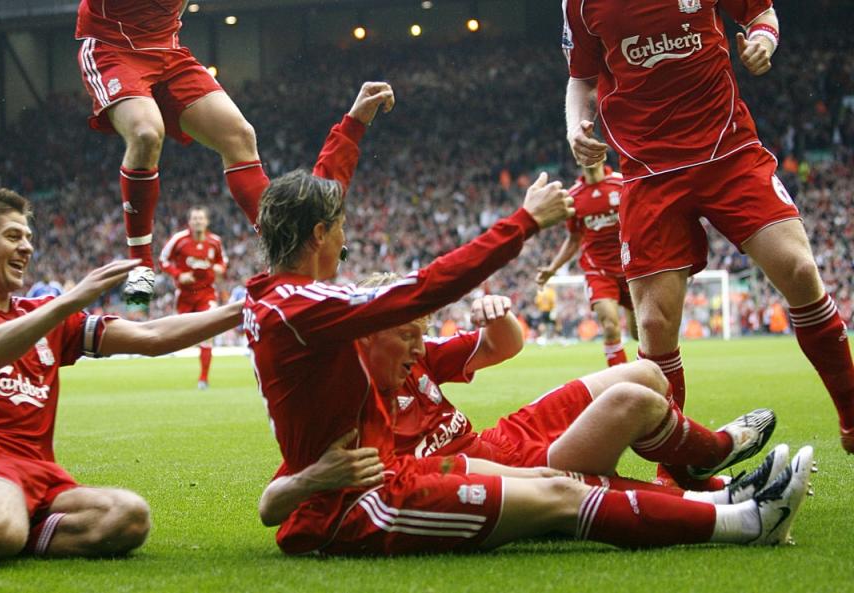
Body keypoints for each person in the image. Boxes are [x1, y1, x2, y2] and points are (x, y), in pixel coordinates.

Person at [245, 90, 813, 555]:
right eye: (336, 226)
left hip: (418, 469)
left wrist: (352, 126)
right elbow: (425, 287)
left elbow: (323, 203)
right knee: (563, 496)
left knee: (562, 481)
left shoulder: (287, 303)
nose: (346, 236)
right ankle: (742, 517)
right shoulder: (307, 312)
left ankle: (725, 501)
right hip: (366, 502)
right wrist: (521, 224)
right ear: (319, 235)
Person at [562, 0, 854, 453]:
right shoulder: (579, 4)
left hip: (729, 152)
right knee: (655, 324)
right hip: (648, 170)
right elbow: (580, 77)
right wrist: (575, 127)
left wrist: (762, 40)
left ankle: (852, 414)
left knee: (798, 269)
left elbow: (762, 12)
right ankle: (675, 470)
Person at [0, 189, 243, 560]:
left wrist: (246, 306)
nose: (27, 248)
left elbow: (151, 336)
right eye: (13, 236)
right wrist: (69, 301)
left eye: (29, 238)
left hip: (40, 471)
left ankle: (5, 527)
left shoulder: (44, 313)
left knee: (128, 516)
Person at [257, 282, 781, 526]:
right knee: (631, 401)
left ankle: (699, 475)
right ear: (366, 339)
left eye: (422, 334)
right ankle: (713, 461)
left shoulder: (415, 357)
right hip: (510, 467)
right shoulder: (345, 403)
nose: (420, 347)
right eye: (408, 335)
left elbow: (504, 346)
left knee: (646, 373)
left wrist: (497, 315)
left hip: (505, 437)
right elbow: (278, 502)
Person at [75, 0, 269, 305]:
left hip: (167, 51)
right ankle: (140, 266)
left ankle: (282, 241)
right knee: (146, 133)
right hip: (112, 50)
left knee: (240, 135)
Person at [537, 161, 637, 366]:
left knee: (640, 333)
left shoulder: (621, 183)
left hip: (630, 265)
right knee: (610, 327)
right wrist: (552, 268)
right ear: (577, 159)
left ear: (601, 154)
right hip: (598, 270)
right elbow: (574, 239)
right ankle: (622, 385)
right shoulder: (573, 196)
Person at [160, 206, 228, 389]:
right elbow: (163, 260)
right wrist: (178, 274)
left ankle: (203, 379)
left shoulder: (215, 241)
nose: (198, 221)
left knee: (208, 334)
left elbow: (223, 261)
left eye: (201, 218)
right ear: (189, 222)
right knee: (180, 333)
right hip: (184, 295)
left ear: (207, 222)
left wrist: (220, 268)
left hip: (206, 293)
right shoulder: (179, 240)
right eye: (195, 219)